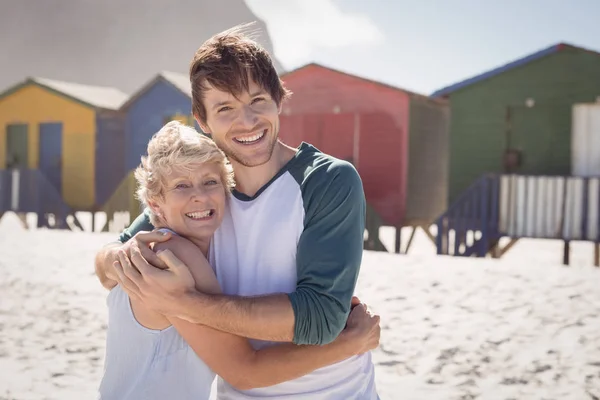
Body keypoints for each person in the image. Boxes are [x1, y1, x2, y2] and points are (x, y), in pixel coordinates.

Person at [95, 23, 380, 399]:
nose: (246, 122)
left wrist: (186, 304)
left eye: (257, 101)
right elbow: (110, 258)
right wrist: (118, 256)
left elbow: (320, 320)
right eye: (225, 108)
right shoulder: (207, 194)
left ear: (279, 99)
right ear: (202, 119)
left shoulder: (326, 181)